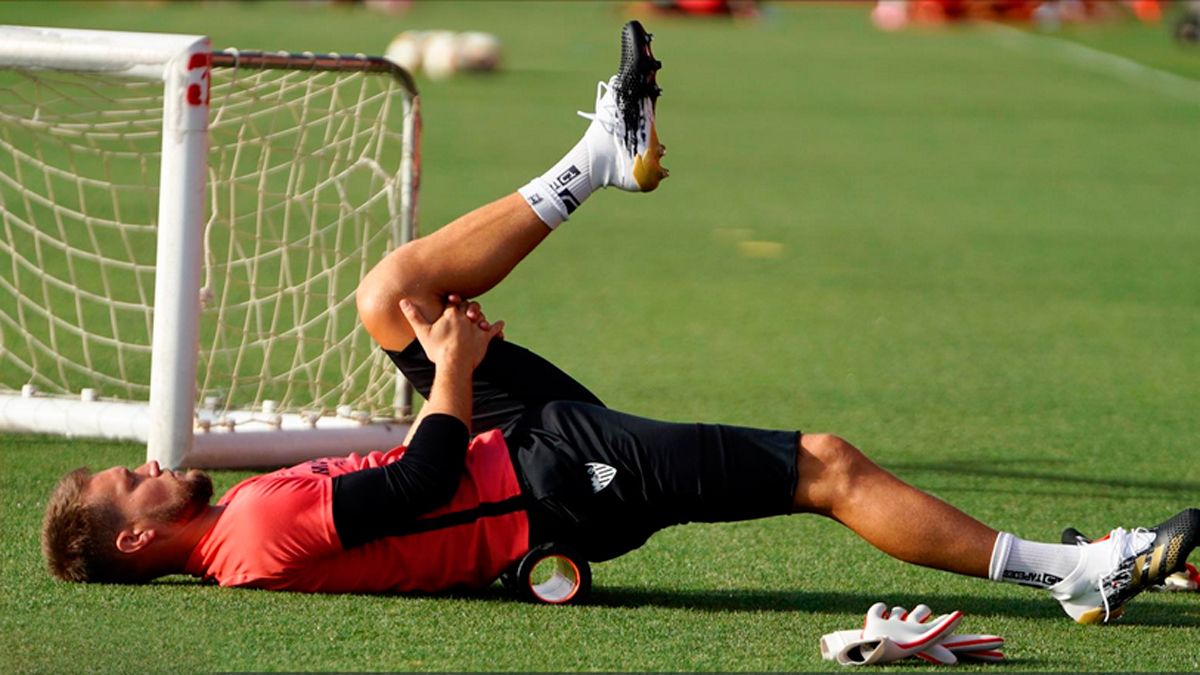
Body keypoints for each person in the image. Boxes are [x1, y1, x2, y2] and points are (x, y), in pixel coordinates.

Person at [41, 21, 1196, 625]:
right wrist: (449, 368)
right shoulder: (248, 545)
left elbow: (420, 474)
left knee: (384, 293)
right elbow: (421, 486)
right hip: (545, 486)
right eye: (122, 484)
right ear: (137, 540)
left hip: (506, 446)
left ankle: (596, 158)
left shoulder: (240, 527)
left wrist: (446, 363)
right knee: (825, 466)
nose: (145, 465)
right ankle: (1068, 572)